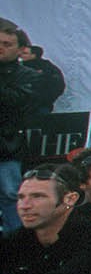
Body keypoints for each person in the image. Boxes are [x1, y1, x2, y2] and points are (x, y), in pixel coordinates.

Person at [0, 21, 42, 233]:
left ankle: (17, 242)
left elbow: (16, 102)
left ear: (20, 49)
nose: (1, 48)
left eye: (7, 44)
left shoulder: (29, 75)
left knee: (10, 195)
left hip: (7, 147)